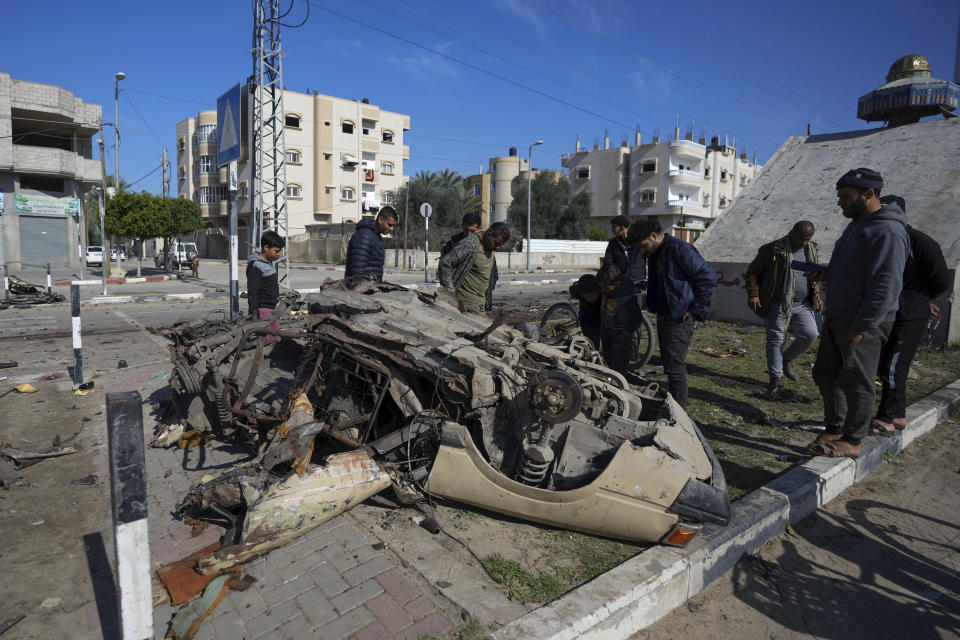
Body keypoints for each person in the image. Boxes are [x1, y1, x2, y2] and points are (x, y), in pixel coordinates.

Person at [806, 168, 909, 458]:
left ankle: (852, 439)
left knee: (857, 381)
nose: (840, 203)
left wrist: (862, 325)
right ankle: (836, 427)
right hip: (838, 315)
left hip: (862, 321)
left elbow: (885, 285)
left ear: (870, 194)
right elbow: (857, 269)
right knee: (826, 373)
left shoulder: (888, 230)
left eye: (846, 197)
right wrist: (827, 273)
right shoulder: (857, 225)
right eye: (839, 197)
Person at [870, 195, 950, 436]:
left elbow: (941, 279)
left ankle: (888, 417)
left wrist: (920, 301)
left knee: (894, 366)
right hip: (892, 312)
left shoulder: (918, 241)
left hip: (909, 314)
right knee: (887, 364)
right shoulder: (886, 239)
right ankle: (898, 414)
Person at [628, 219, 716, 408]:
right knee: (670, 365)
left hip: (680, 316)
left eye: (643, 245)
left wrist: (694, 309)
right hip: (665, 314)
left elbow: (707, 278)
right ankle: (674, 408)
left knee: (675, 367)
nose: (643, 250)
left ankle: (678, 414)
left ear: (653, 236)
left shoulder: (680, 248)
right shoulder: (655, 252)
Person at [744, 221, 823, 395]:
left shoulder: (811, 250)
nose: (804, 243)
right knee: (776, 340)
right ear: (792, 232)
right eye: (801, 238)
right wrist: (754, 294)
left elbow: (813, 276)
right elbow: (753, 273)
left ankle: (787, 359)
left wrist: (817, 295)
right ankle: (776, 379)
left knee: (811, 335)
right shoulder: (772, 250)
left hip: (803, 304)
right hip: (778, 303)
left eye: (807, 239)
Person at [438, 222, 510, 314]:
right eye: (497, 243)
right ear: (489, 234)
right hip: (465, 304)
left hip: (480, 304)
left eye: (500, 245)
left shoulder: (489, 246)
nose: (498, 247)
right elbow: (445, 263)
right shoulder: (471, 244)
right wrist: (450, 292)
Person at [596, 263, 644, 376]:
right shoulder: (608, 291)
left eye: (605, 287)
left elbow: (637, 318)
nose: (603, 290)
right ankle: (612, 379)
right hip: (607, 329)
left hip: (621, 334)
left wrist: (626, 332)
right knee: (608, 357)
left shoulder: (627, 297)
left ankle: (621, 384)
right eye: (601, 287)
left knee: (620, 363)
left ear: (617, 283)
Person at [247, 230, 285, 343]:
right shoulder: (256, 266)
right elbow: (252, 290)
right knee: (265, 341)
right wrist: (255, 312)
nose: (278, 254)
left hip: (271, 308)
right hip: (262, 309)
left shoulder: (268, 263)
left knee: (274, 337)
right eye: (276, 251)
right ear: (266, 247)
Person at [344, 206, 398, 280]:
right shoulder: (364, 236)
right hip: (360, 289)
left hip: (370, 287)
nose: (392, 228)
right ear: (380, 219)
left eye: (393, 226)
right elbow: (358, 273)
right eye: (389, 225)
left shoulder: (376, 236)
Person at [605, 214, 646, 292]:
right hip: (619, 282)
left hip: (637, 282)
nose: (612, 229)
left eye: (614, 227)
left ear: (623, 228)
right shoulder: (613, 243)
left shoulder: (639, 240)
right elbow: (608, 261)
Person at [568, 273, 603, 349]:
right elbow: (572, 288)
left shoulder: (605, 292)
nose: (589, 299)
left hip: (602, 317)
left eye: (592, 295)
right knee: (592, 345)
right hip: (587, 318)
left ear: (598, 291)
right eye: (585, 296)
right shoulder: (577, 290)